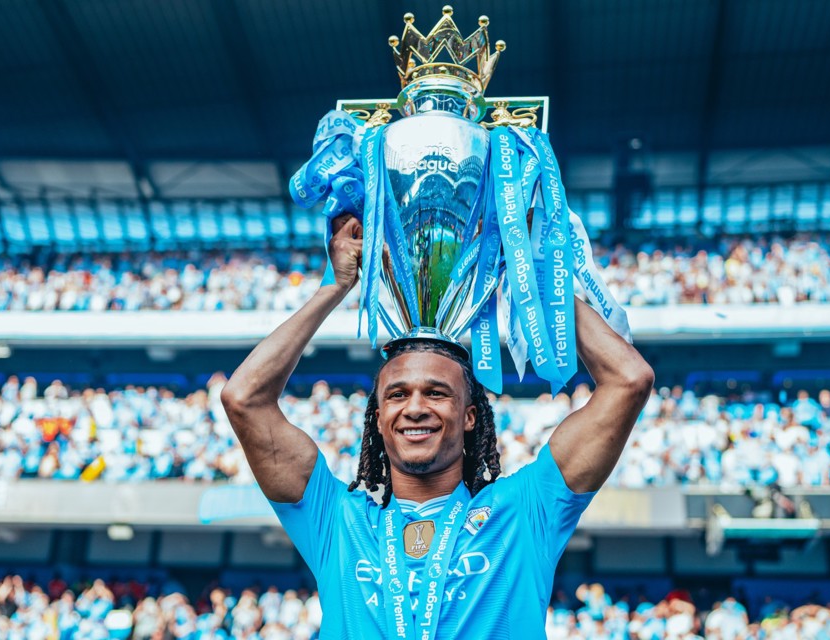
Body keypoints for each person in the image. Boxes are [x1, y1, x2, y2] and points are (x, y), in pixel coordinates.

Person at [222, 214, 654, 638]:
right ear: (377, 418)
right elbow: (244, 398)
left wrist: (523, 275)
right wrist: (333, 289)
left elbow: (628, 380)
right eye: (396, 394)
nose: (415, 408)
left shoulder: (524, 510)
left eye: (436, 393)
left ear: (470, 416)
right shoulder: (336, 519)